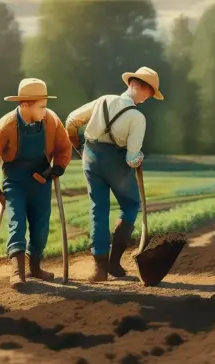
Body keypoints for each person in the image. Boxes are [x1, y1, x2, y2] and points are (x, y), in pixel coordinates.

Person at [64, 67, 163, 282]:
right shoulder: (137, 117)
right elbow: (131, 159)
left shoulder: (103, 100)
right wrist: (139, 159)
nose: (148, 98)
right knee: (130, 205)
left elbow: (71, 121)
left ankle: (99, 269)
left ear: (130, 83)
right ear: (143, 88)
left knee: (98, 209)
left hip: (90, 158)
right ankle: (114, 262)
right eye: (150, 92)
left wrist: (80, 147)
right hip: (116, 164)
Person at [0, 78, 73, 289]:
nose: (45, 111)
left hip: (41, 179)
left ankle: (35, 267)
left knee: (41, 227)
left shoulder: (51, 121)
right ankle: (17, 272)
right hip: (15, 180)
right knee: (16, 222)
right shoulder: (5, 126)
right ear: (25, 105)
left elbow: (64, 149)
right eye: (41, 106)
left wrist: (56, 169)